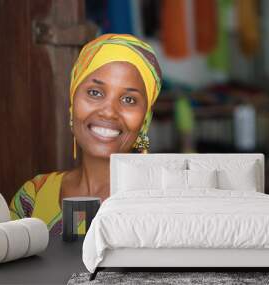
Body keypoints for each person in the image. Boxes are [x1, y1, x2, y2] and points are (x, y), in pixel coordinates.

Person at [9, 34, 162, 234]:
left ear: (145, 119)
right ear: (73, 104)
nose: (108, 111)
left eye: (128, 100)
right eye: (95, 93)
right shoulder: (34, 195)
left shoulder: (159, 206)